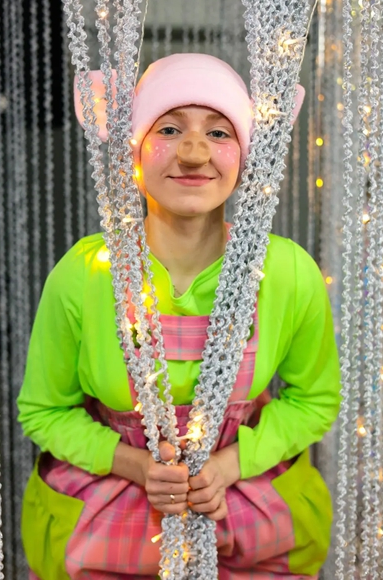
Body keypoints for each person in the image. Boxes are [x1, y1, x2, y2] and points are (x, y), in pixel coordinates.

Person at [18, 53, 341, 580]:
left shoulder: (286, 271)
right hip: (106, 526)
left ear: (246, 153)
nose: (194, 153)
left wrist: (230, 464)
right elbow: (43, 411)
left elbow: (316, 401)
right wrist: (136, 464)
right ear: (135, 149)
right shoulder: (85, 273)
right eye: (169, 129)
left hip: (249, 523)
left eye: (219, 133)